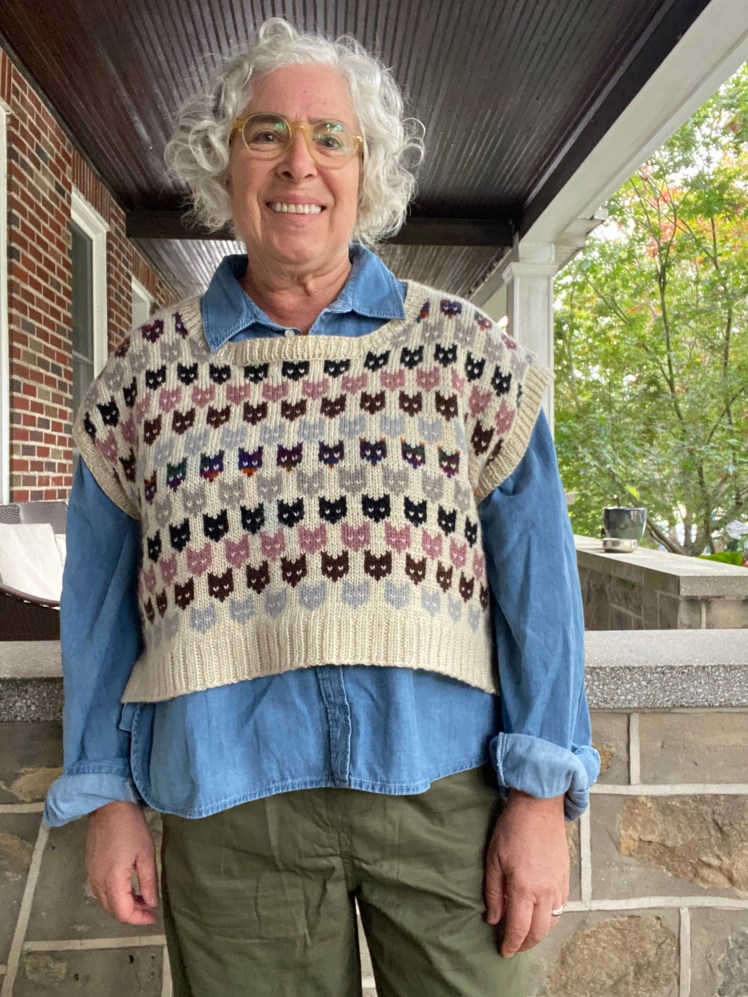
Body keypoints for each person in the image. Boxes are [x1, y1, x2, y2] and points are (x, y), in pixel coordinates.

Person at [45, 18, 599, 997]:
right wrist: (107, 794)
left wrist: (540, 795)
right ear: (223, 163)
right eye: (266, 133)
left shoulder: (466, 356)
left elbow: (540, 593)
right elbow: (96, 609)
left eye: (330, 137)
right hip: (225, 808)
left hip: (447, 793)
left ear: (366, 168)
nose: (298, 163)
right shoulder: (139, 382)